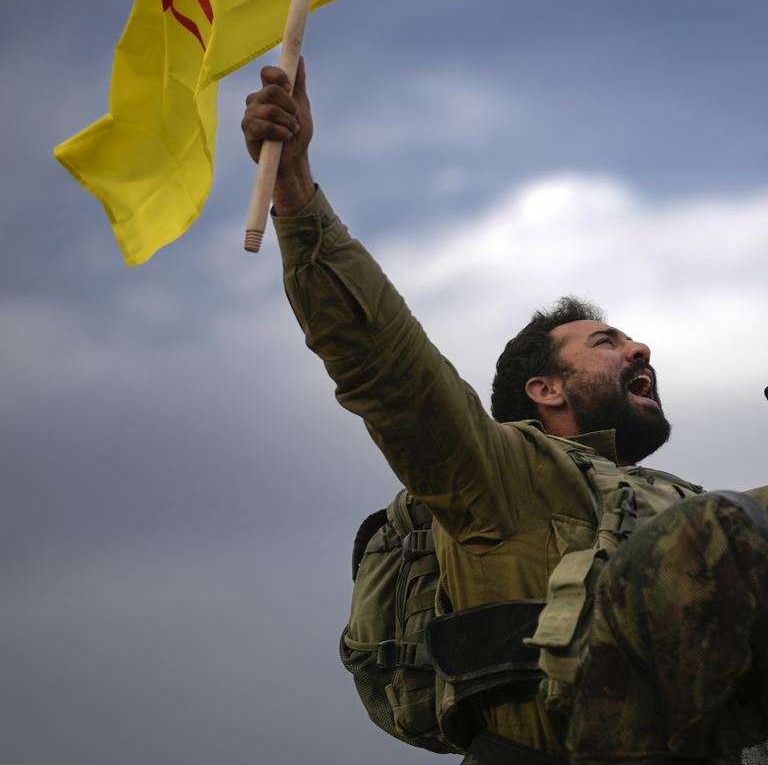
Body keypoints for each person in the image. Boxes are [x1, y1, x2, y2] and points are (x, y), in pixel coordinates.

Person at [242, 59, 768, 765]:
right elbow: (392, 373)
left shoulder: (684, 498)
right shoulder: (497, 474)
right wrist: (297, 195)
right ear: (544, 389)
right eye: (605, 341)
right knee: (722, 528)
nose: (640, 344)